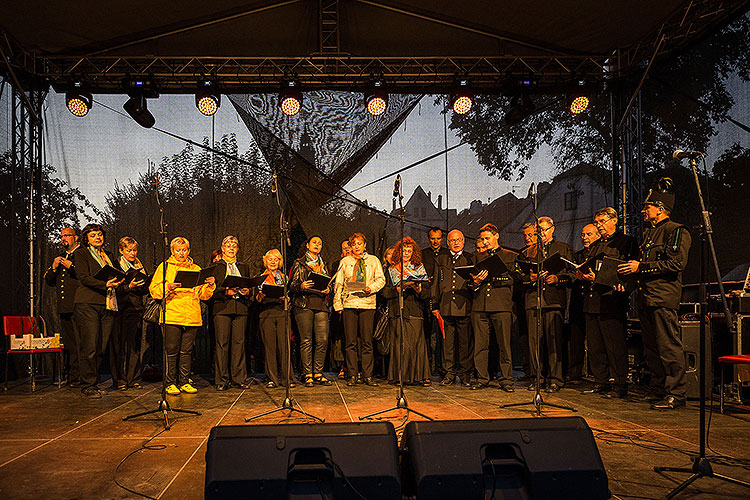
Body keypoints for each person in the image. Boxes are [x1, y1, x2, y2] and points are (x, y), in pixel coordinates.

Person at [619, 180, 691, 409]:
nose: (643, 211)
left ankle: (677, 393)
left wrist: (641, 267)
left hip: (663, 297)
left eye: (647, 207)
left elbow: (676, 263)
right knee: (651, 348)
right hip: (647, 297)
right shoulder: (649, 234)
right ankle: (660, 389)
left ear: (660, 208)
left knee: (668, 346)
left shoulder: (676, 230)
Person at [579, 208, 638, 398]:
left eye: (602, 221)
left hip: (612, 300)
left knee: (615, 346)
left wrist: (620, 285)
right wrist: (583, 274)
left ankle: (620, 384)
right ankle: (600, 382)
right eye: (597, 222)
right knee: (595, 346)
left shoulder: (626, 242)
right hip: (592, 300)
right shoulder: (595, 245)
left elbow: (629, 271)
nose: (599, 226)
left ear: (614, 220)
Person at [149, 237, 216, 395]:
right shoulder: (165, 267)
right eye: (178, 250)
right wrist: (169, 286)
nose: (181, 253)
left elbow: (203, 295)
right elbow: (154, 290)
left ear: (189, 251)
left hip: (191, 315)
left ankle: (184, 381)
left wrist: (210, 284)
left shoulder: (196, 268)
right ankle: (170, 383)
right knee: (171, 351)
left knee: (186, 351)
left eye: (184, 250)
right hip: (172, 314)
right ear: (172, 251)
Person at [518, 216, 574, 392]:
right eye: (538, 231)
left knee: (554, 341)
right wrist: (530, 278)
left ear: (552, 229)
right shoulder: (527, 252)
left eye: (543, 230)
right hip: (533, 300)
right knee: (534, 343)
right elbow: (519, 277)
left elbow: (573, 274)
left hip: (554, 300)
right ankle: (536, 378)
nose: (541, 233)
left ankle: (555, 378)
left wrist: (558, 278)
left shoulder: (563, 249)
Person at [73, 224, 124, 398]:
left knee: (101, 346)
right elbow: (84, 277)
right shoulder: (81, 253)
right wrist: (105, 284)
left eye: (100, 234)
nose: (97, 237)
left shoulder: (108, 255)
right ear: (86, 238)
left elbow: (116, 274)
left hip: (107, 304)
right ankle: (88, 385)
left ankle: (94, 381)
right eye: (93, 235)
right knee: (90, 346)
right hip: (88, 303)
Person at [469, 223, 519, 391]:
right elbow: (470, 284)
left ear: (496, 236)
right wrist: (475, 282)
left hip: (501, 306)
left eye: (487, 238)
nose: (484, 242)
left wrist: (493, 278)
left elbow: (514, 279)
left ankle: (506, 380)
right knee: (480, 346)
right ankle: (482, 378)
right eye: (482, 239)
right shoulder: (477, 258)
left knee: (504, 345)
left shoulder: (509, 256)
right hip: (480, 306)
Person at [332, 232, 385, 386]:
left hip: (367, 304)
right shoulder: (345, 261)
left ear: (364, 245)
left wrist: (371, 288)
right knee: (350, 342)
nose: (357, 246)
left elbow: (381, 279)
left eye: (359, 243)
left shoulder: (373, 260)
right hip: (349, 304)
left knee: (367, 342)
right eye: (354, 244)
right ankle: (352, 374)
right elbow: (339, 283)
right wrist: (338, 304)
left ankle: (367, 375)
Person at [382, 237, 431, 385]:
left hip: (415, 309)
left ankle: (420, 376)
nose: (407, 254)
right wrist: (397, 289)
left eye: (410, 251)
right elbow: (384, 292)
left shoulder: (419, 268)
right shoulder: (392, 270)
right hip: (398, 310)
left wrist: (419, 288)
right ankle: (400, 376)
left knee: (417, 344)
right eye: (404, 251)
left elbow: (428, 293)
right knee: (400, 344)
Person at [431, 229, 474, 387]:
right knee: (447, 344)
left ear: (463, 241)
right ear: (447, 242)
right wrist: (435, 305)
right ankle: (448, 373)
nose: (455, 243)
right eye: (452, 240)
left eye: (458, 240)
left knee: (464, 344)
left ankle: (464, 374)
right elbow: (435, 283)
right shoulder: (441, 258)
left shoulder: (470, 258)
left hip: (464, 306)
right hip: (446, 307)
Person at [212, 236, 254, 391]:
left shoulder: (243, 267)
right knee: (222, 344)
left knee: (239, 344)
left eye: (234, 246)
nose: (231, 248)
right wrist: (226, 291)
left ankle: (238, 378)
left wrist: (247, 290)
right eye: (228, 246)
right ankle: (222, 380)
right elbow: (211, 291)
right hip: (222, 308)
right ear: (222, 248)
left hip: (240, 308)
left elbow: (250, 286)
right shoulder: (216, 266)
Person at [290, 235, 333, 387]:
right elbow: (292, 285)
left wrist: (329, 288)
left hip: (321, 304)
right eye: (314, 242)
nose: (317, 245)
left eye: (320, 243)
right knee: (306, 340)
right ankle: (307, 373)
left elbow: (329, 282)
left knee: (322, 340)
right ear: (307, 245)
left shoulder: (323, 264)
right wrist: (301, 286)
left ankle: (318, 373)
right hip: (304, 304)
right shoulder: (299, 263)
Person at [43, 227, 81, 386]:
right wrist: (53, 267)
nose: (63, 238)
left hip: (79, 305)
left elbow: (85, 276)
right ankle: (72, 375)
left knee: (80, 343)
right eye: (61, 236)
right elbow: (49, 281)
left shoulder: (82, 254)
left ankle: (81, 376)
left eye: (67, 235)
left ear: (75, 238)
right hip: (64, 306)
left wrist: (71, 266)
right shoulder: (59, 258)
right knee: (70, 343)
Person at [110, 236, 148, 391]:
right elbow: (114, 288)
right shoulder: (116, 265)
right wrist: (129, 286)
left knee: (134, 346)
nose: (132, 253)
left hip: (135, 308)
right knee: (119, 345)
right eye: (129, 250)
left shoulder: (139, 265)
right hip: (121, 308)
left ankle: (133, 378)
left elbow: (145, 289)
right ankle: (120, 379)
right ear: (121, 250)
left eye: (134, 250)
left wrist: (144, 283)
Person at [256, 248, 293, 388]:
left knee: (284, 347)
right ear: (266, 261)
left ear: (280, 262)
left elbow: (289, 297)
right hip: (266, 313)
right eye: (270, 259)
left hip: (282, 312)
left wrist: (286, 298)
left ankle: (287, 378)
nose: (273, 261)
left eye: (276, 259)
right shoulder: (261, 277)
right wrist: (261, 295)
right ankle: (271, 378)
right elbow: (257, 299)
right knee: (269, 347)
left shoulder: (284, 278)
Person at [567, 223, 599, 384]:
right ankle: (575, 374)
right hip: (578, 301)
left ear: (597, 235)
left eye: (588, 234)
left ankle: (598, 375)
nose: (585, 238)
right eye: (583, 235)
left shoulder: (600, 254)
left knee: (595, 341)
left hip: (595, 301)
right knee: (576, 339)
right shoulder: (578, 255)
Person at [421, 227, 450, 375]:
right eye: (433, 238)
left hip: (442, 298)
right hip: (426, 297)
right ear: (429, 239)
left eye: (438, 238)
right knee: (426, 334)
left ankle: (442, 366)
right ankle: (427, 366)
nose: (435, 241)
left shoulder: (447, 253)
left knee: (443, 335)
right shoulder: (423, 254)